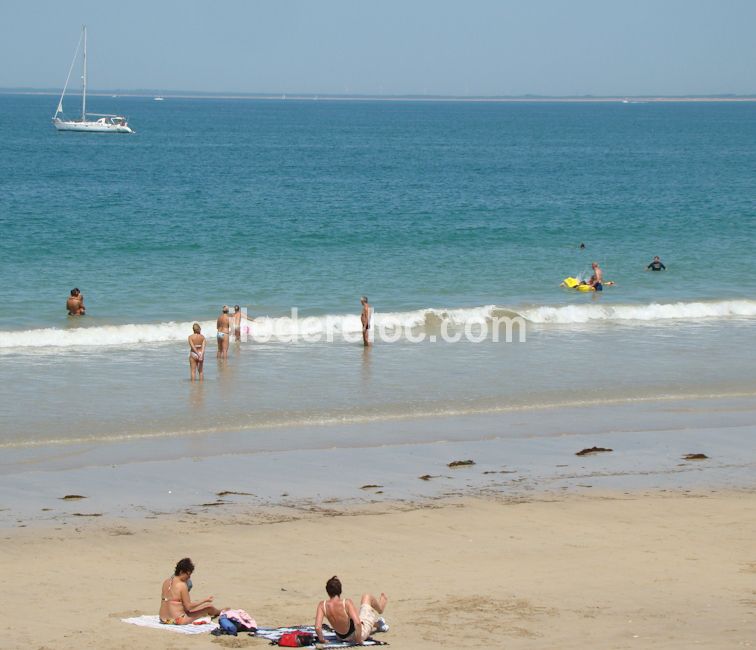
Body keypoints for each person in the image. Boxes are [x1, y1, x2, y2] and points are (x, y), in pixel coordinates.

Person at [315, 576, 388, 645]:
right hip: (357, 635)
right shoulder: (346, 603)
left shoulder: (322, 605)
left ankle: (379, 624)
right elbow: (357, 623)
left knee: (357, 618)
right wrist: (359, 640)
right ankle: (380, 609)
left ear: (327, 591)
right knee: (367, 597)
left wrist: (322, 640)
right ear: (340, 590)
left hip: (341, 637)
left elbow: (318, 627)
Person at [159, 557, 221, 625]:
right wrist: (205, 600)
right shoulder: (182, 585)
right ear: (181, 572)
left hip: (163, 619)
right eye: (188, 574)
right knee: (208, 607)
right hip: (177, 620)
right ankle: (220, 612)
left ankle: (218, 611)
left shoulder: (166, 581)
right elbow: (189, 607)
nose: (189, 577)